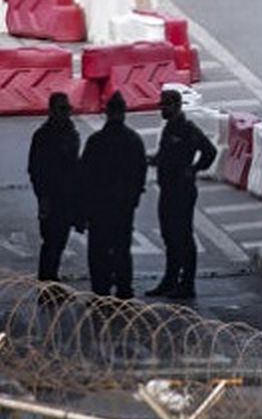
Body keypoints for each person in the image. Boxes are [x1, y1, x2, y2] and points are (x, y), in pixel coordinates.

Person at [144, 89, 218, 300]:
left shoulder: (187, 129)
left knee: (183, 237)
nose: (163, 109)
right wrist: (154, 160)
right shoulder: (169, 128)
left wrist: (194, 169)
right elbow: (166, 155)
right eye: (162, 105)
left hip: (181, 190)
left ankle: (187, 283)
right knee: (169, 236)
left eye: (167, 105)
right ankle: (170, 279)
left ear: (177, 106)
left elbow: (209, 151)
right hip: (167, 189)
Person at [80, 91, 148, 299]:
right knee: (121, 248)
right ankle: (124, 288)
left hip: (99, 205)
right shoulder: (133, 140)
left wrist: (82, 207)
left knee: (98, 249)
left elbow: (84, 175)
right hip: (123, 205)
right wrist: (133, 197)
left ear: (107, 112)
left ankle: (100, 288)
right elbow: (140, 172)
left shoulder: (96, 141)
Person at [28, 91, 82, 285]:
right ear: (51, 111)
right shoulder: (43, 136)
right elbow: (36, 169)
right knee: (51, 241)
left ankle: (52, 278)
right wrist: (43, 197)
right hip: (51, 196)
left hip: (68, 196)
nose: (66, 113)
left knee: (60, 241)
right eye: (61, 109)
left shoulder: (71, 133)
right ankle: (46, 282)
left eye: (67, 109)